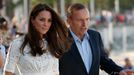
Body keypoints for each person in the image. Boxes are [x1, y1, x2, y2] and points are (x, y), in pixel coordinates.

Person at [59, 3, 134, 75]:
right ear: (69, 21)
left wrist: (120, 70)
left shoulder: (95, 36)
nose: (85, 24)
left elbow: (103, 60)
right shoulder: (59, 40)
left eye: (87, 19)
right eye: (80, 20)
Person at [3, 3, 71, 75]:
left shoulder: (52, 44)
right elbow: (7, 73)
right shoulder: (18, 43)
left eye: (49, 20)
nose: (46, 24)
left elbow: (55, 73)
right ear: (32, 20)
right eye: (42, 20)